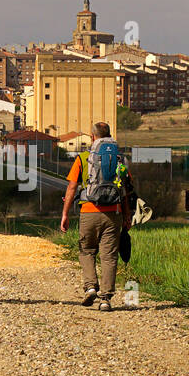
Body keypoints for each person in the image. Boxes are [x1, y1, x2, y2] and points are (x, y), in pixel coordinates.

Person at [59, 121, 133, 311]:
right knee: (109, 256)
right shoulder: (119, 159)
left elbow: (71, 187)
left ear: (92, 137)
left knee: (87, 250)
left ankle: (91, 287)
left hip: (89, 212)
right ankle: (106, 299)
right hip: (113, 214)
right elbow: (125, 190)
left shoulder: (84, 158)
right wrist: (126, 215)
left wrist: (65, 214)